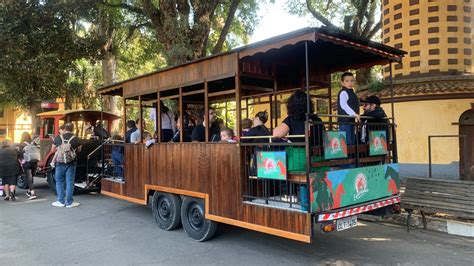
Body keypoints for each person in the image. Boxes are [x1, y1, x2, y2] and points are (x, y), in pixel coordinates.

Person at [51, 123, 82, 208]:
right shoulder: (76, 138)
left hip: (59, 163)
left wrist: (60, 149)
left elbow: (52, 149)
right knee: (70, 182)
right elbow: (79, 150)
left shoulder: (58, 137)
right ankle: (69, 202)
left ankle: (60, 201)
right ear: (73, 129)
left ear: (64, 128)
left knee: (59, 181)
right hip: (71, 163)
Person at [337, 72, 360, 145]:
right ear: (342, 83)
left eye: (352, 80)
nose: (350, 83)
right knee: (346, 143)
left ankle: (351, 156)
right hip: (344, 121)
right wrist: (354, 114)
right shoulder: (343, 92)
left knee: (351, 142)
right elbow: (343, 105)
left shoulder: (352, 93)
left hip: (350, 121)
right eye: (347, 81)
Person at [19, 132, 40, 200]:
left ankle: (32, 193)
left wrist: (21, 161)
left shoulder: (22, 144)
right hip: (34, 162)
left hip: (27, 162)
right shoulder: (33, 143)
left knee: (29, 177)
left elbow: (20, 154)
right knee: (31, 177)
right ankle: (29, 191)